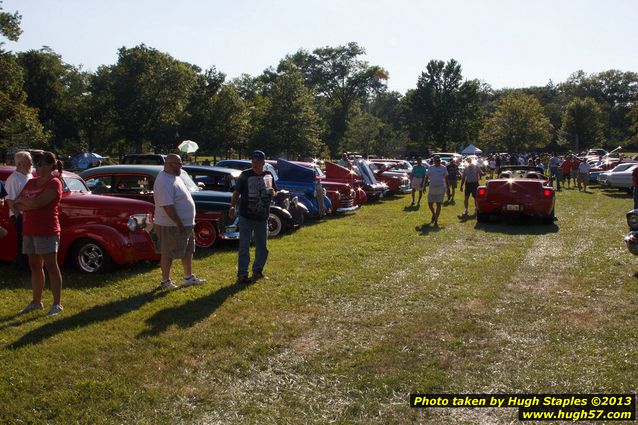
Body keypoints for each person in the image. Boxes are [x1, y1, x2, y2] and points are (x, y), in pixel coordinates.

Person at [14, 151, 64, 316]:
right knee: (34, 266)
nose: (37, 167)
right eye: (36, 164)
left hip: (47, 230)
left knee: (51, 266)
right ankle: (36, 302)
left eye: (41, 163)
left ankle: (57, 304)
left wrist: (28, 203)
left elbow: (38, 203)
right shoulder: (31, 182)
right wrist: (29, 203)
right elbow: (16, 204)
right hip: (29, 230)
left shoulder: (54, 183)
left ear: (51, 165)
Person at [153, 153, 205, 289]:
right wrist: (178, 222)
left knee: (188, 251)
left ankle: (188, 277)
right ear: (169, 164)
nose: (181, 166)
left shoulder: (176, 177)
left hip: (185, 224)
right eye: (179, 164)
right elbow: (166, 205)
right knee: (168, 253)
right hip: (171, 225)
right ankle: (165, 281)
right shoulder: (164, 180)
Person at [229, 150, 277, 284]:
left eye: (258, 161)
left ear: (263, 162)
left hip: (262, 217)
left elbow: (274, 190)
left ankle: (257, 270)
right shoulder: (245, 175)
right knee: (244, 246)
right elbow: (237, 192)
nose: (255, 164)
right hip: (246, 216)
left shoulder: (268, 175)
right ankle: (242, 274)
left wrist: (274, 192)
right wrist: (232, 206)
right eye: (253, 161)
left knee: (262, 247)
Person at [5, 151, 33, 269]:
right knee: (22, 241)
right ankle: (22, 266)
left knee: (30, 241)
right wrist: (18, 217)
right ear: (20, 164)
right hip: (20, 215)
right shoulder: (13, 179)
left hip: (30, 214)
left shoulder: (30, 176)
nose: (31, 163)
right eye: (28, 160)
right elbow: (10, 200)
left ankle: (30, 264)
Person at [424, 156, 449, 225]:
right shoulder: (430, 168)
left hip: (441, 188)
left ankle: (436, 220)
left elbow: (446, 178)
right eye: (436, 161)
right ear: (434, 161)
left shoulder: (443, 168)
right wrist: (424, 186)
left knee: (438, 204)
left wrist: (448, 188)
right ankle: (434, 214)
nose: (438, 162)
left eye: (439, 161)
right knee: (430, 204)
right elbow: (427, 177)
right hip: (432, 188)